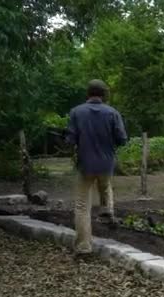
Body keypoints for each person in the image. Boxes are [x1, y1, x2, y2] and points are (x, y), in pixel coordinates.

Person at [66, 79, 127, 257]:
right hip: (106, 164)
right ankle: (107, 212)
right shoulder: (113, 113)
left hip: (85, 164)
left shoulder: (76, 112)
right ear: (104, 95)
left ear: (88, 93)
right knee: (106, 186)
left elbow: (69, 140)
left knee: (82, 205)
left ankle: (84, 247)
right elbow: (122, 139)